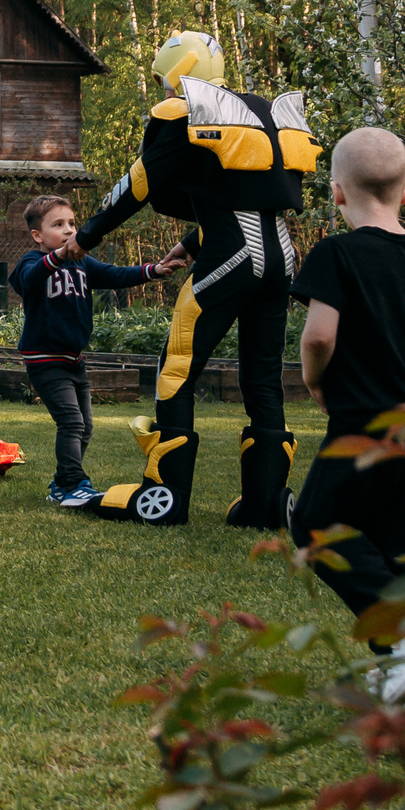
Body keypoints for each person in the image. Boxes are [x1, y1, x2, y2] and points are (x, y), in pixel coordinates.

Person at [70, 29, 320, 527]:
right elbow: (245, 196)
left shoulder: (186, 112)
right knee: (263, 379)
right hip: (282, 262)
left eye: (165, 82)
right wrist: (191, 241)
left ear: (180, 74)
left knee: (177, 367)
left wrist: (88, 235)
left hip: (231, 260)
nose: (164, 93)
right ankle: (266, 504)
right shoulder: (265, 114)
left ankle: (164, 496)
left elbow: (139, 184)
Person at [289, 126, 405, 707]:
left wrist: (315, 382)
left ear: (337, 193)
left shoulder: (337, 254)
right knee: (403, 554)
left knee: (314, 527)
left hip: (361, 424)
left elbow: (318, 338)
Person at [11, 194, 184, 507]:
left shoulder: (82, 264)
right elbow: (28, 281)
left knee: (86, 427)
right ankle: (75, 483)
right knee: (72, 423)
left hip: (75, 361)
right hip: (45, 361)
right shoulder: (32, 262)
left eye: (72, 224)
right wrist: (60, 256)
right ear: (38, 235)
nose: (68, 231)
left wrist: (154, 270)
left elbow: (114, 274)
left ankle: (63, 483)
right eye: (58, 225)